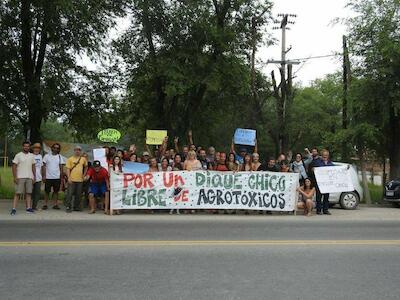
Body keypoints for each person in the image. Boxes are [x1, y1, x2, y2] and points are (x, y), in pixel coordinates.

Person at [10, 141, 36, 215]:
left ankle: (28, 208)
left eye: (28, 146)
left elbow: (33, 167)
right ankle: (14, 209)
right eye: (25, 146)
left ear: (29, 147)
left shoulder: (32, 155)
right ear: (22, 146)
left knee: (28, 193)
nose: (26, 147)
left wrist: (34, 176)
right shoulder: (18, 155)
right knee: (17, 193)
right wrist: (15, 177)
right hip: (20, 177)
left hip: (29, 177)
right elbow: (14, 166)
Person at [65, 145, 88, 213]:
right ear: (74, 150)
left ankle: (76, 207)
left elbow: (86, 167)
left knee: (78, 194)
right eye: (76, 150)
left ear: (80, 151)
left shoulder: (83, 159)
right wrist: (68, 178)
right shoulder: (70, 159)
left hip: (80, 180)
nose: (77, 151)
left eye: (79, 150)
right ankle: (68, 206)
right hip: (72, 179)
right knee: (69, 194)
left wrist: (84, 175)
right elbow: (68, 169)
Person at [42, 143, 65, 210]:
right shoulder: (46, 156)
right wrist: (44, 175)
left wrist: (61, 177)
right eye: (54, 147)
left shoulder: (60, 157)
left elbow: (61, 168)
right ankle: (45, 204)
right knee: (47, 192)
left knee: (56, 192)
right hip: (48, 177)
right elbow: (44, 166)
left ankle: (55, 204)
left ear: (59, 149)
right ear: (52, 148)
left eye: (57, 148)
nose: (56, 149)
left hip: (57, 177)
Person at [313, 149, 334, 215]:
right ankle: (318, 210)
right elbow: (312, 168)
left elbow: (336, 170)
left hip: (327, 184)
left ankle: (325, 210)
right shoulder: (317, 162)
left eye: (326, 155)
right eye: (324, 155)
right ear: (322, 155)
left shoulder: (330, 163)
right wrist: (313, 169)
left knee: (326, 197)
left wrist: (345, 168)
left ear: (328, 156)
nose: (325, 156)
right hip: (319, 183)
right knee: (318, 197)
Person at [31, 143, 43, 211]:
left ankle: (34, 206)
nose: (37, 149)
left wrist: (41, 176)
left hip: (38, 178)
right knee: (30, 192)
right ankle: (29, 206)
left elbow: (41, 167)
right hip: (31, 177)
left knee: (37, 193)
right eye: (35, 148)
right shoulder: (30, 156)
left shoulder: (40, 156)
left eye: (38, 148)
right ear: (33, 149)